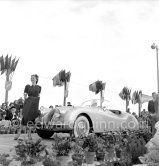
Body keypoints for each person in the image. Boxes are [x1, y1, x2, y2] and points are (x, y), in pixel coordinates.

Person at [14, 74, 41, 140]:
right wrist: (25, 104)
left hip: (35, 105)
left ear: (36, 79)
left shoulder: (39, 87)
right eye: (31, 78)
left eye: (33, 78)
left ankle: (29, 135)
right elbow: (25, 97)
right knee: (24, 119)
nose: (32, 79)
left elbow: (38, 97)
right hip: (28, 103)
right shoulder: (27, 86)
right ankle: (18, 135)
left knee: (31, 120)